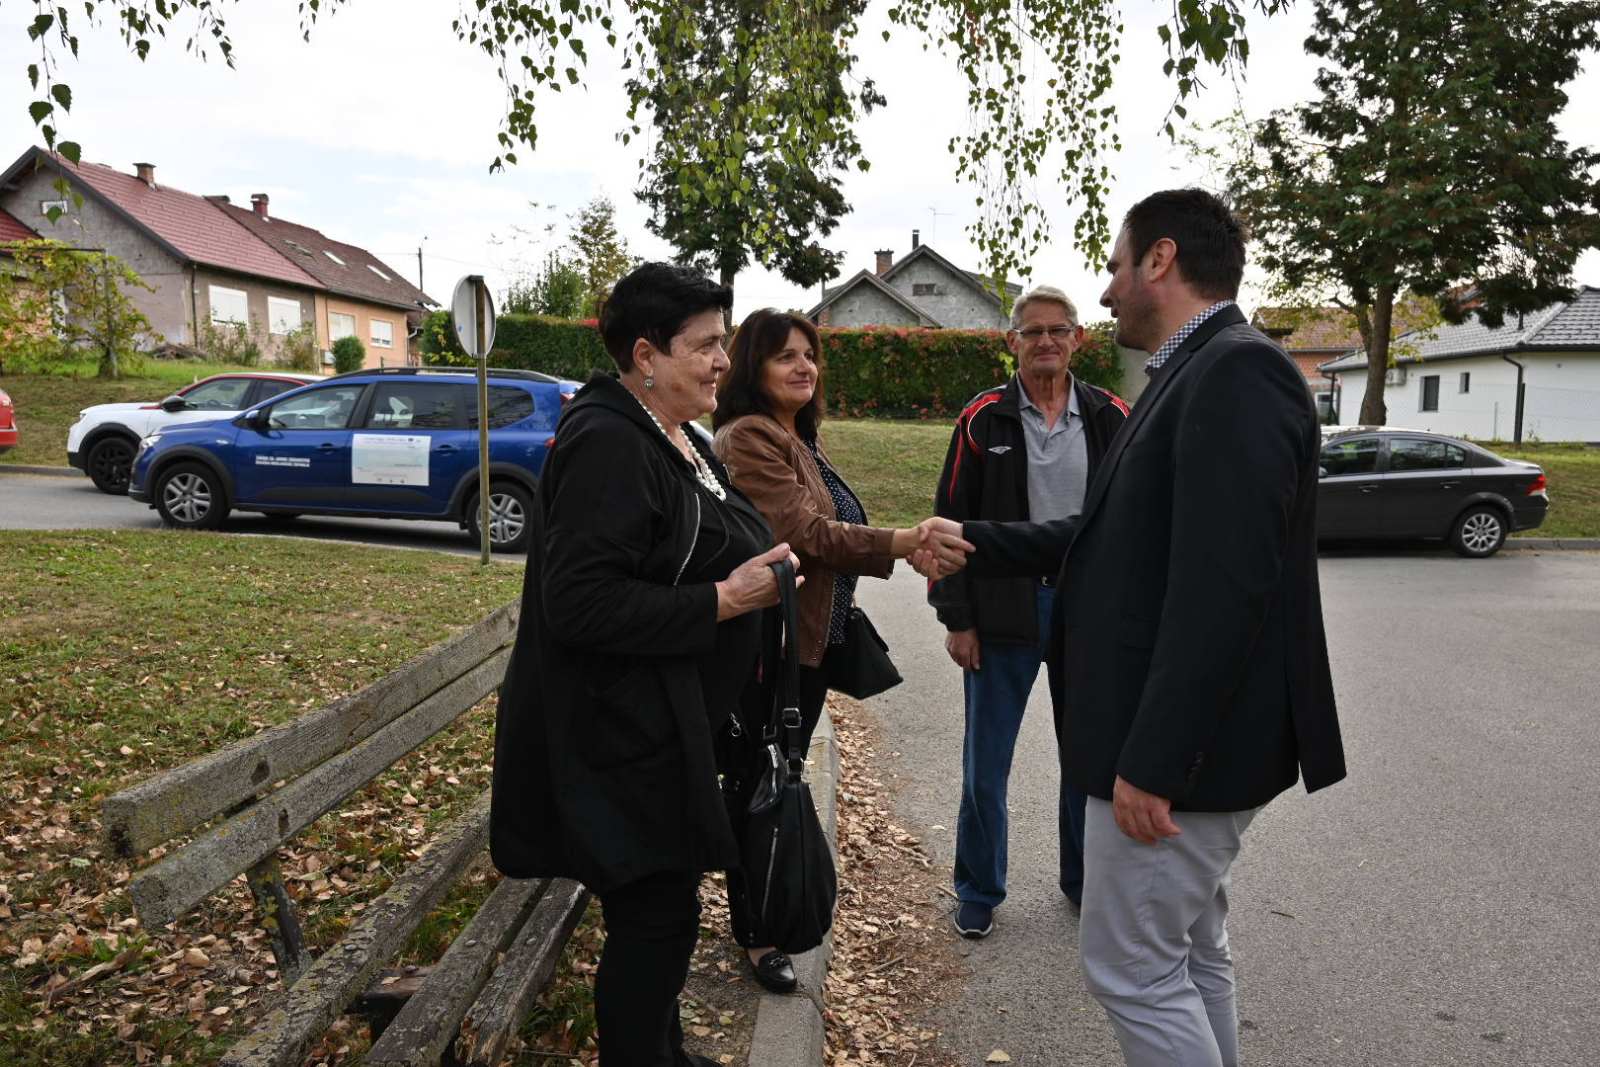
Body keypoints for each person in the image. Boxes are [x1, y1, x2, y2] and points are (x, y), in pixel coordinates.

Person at [925, 189, 1346, 1066]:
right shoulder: (1186, 376)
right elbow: (1110, 537)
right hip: (1190, 749)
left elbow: (1223, 593)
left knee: (1130, 966)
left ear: (1160, 260)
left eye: (1116, 268)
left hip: (1186, 761)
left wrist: (1156, 762)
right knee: (1189, 953)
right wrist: (974, 541)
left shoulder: (1237, 373)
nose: (1108, 294)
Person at [489, 262, 801, 1067]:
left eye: (722, 341)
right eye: (703, 345)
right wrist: (724, 602)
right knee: (656, 914)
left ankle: (664, 1051)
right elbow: (580, 603)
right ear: (645, 354)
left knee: (663, 911)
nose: (721, 360)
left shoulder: (671, 434)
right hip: (613, 733)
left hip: (659, 721)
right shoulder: (606, 442)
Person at [712, 306, 968, 991]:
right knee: (761, 780)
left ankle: (775, 896)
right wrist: (901, 541)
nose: (804, 366)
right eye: (784, 356)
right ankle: (759, 929)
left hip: (808, 640)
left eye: (810, 355)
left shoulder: (798, 434)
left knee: (778, 771)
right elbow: (806, 534)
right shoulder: (748, 438)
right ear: (752, 369)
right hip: (771, 644)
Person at [927, 285, 1129, 939]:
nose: (1045, 341)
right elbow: (951, 519)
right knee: (986, 763)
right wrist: (957, 617)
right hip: (1002, 610)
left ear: (1078, 339)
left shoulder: (1110, 415)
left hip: (1088, 610)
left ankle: (1083, 881)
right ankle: (979, 889)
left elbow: (1136, 522)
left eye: (1058, 330)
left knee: (1088, 756)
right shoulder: (983, 418)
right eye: (1032, 331)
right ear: (1011, 342)